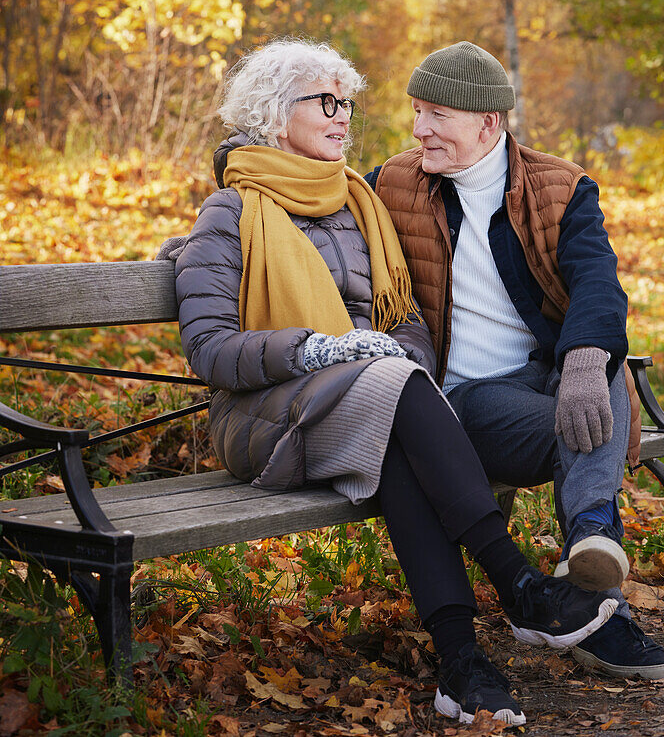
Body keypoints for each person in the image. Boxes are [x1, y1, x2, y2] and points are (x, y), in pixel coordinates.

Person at [170, 38, 620, 728]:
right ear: (272, 113)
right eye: (327, 101)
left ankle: (461, 662)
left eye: (347, 102)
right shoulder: (230, 213)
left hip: (365, 406)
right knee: (397, 388)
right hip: (266, 419)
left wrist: (383, 357)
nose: (345, 116)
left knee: (399, 414)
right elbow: (209, 350)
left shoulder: (358, 200)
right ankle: (518, 583)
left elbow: (405, 319)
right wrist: (321, 350)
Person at [366, 40, 664, 681]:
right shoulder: (393, 182)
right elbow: (311, 214)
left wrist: (588, 363)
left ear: (489, 122)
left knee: (600, 377)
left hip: (543, 380)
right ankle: (602, 603)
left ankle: (592, 548)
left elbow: (596, 281)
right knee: (595, 405)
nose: (419, 129)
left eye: (436, 115)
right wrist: (219, 218)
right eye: (416, 111)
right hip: (459, 404)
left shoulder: (559, 187)